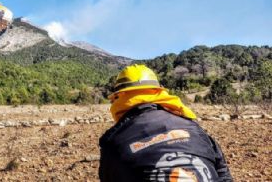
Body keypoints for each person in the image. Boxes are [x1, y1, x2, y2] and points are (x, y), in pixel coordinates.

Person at [99, 64, 233, 181]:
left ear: (119, 97)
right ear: (159, 92)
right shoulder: (194, 128)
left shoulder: (113, 141)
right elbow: (223, 174)